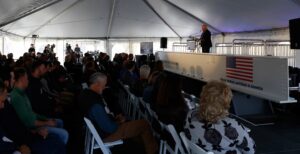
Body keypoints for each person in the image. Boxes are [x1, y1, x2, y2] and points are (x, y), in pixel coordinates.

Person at [78, 73, 158, 154]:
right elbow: (110, 128)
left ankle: (140, 147)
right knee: (144, 124)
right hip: (107, 134)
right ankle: (152, 151)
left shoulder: (85, 94)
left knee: (136, 126)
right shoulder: (95, 104)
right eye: (104, 85)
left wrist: (114, 118)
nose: (105, 87)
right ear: (98, 84)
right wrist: (119, 122)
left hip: (99, 130)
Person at [184, 81, 255, 154]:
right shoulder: (232, 126)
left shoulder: (191, 114)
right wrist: (243, 132)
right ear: (226, 101)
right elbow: (250, 151)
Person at [0, 80, 66, 154]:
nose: (2, 105)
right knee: (62, 137)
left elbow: (20, 123)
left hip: (29, 135)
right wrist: (19, 147)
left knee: (57, 140)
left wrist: (35, 131)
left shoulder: (11, 102)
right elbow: (9, 135)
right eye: (26, 78)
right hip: (23, 143)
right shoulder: (15, 97)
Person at [10, 68, 69, 145]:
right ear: (22, 79)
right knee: (64, 134)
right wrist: (47, 123)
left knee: (59, 122)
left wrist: (46, 119)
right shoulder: (17, 97)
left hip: (35, 122)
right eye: (27, 78)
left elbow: (32, 113)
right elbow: (29, 122)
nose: (28, 80)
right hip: (32, 128)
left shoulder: (22, 93)